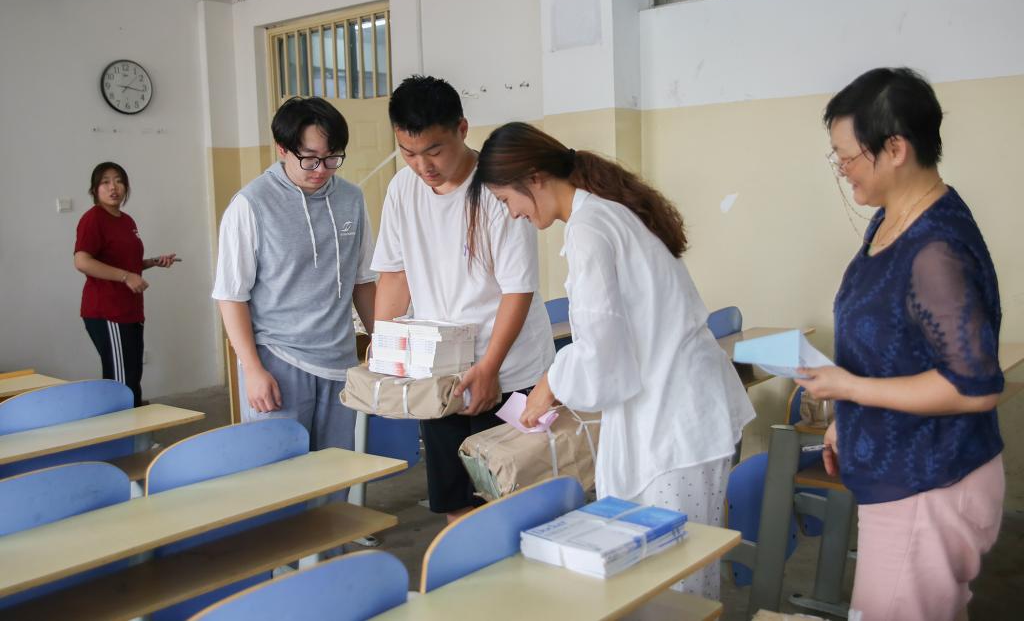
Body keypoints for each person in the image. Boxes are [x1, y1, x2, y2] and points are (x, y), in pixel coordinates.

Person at [467, 122, 755, 599]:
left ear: (534, 178)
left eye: (506, 200)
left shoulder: (590, 229)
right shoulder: (604, 214)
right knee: (675, 575)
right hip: (679, 412)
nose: (513, 213)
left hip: (676, 424)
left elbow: (603, 358)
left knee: (674, 584)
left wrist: (551, 382)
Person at [795, 68, 1004, 621]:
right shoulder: (892, 218)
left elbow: (975, 387)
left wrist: (851, 389)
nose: (841, 169)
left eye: (848, 156)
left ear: (895, 149)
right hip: (906, 475)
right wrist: (849, 417)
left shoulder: (935, 248)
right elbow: (898, 347)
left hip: (929, 482)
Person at [372, 76, 554, 522]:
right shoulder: (402, 190)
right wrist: (385, 352)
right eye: (408, 152)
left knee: (510, 500)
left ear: (462, 129)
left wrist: (490, 368)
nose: (423, 166)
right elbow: (394, 276)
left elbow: (517, 290)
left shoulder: (497, 189)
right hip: (440, 374)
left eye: (433, 150)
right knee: (455, 500)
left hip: (509, 369)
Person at [213, 97, 376, 457]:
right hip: (277, 361)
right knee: (279, 474)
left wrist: (382, 343)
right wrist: (252, 370)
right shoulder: (251, 204)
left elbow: (363, 281)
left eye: (332, 158)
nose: (321, 169)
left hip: (339, 362)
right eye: (310, 158)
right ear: (282, 149)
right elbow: (231, 295)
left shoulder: (351, 198)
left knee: (335, 472)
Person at [74, 162, 178, 407]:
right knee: (121, 383)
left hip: (130, 310)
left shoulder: (126, 220)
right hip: (107, 311)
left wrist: (152, 262)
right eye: (105, 182)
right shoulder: (93, 219)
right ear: (95, 189)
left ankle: (134, 424)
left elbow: (125, 262)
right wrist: (125, 276)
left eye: (119, 181)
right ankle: (122, 429)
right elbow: (82, 261)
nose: (113, 187)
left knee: (131, 375)